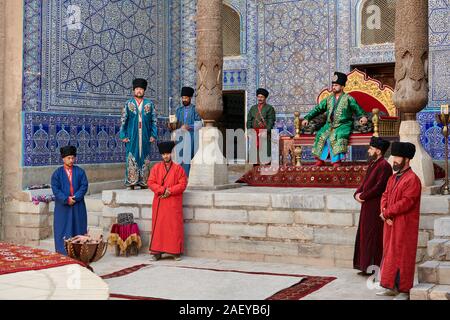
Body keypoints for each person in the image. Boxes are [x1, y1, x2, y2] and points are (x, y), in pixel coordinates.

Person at [376, 142, 421, 300]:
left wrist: (387, 213)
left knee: (403, 256)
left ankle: (404, 290)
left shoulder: (413, 180)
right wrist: (384, 211)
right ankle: (391, 287)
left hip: (404, 225)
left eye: (397, 157)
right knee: (389, 254)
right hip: (390, 223)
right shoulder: (392, 178)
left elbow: (406, 202)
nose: (394, 160)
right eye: (394, 156)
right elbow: (385, 195)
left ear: (407, 159)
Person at [302, 72, 368, 167]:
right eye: (333, 85)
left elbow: (357, 109)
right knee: (321, 134)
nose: (333, 87)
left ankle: (336, 161)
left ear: (342, 87)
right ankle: (320, 159)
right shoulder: (328, 99)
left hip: (343, 124)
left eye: (336, 85)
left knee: (337, 135)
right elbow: (318, 109)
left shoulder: (348, 98)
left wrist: (363, 116)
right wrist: (307, 118)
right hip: (329, 125)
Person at [353, 136, 392, 275]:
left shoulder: (385, 166)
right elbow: (365, 184)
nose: (369, 150)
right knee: (364, 235)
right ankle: (364, 266)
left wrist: (362, 196)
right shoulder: (373, 164)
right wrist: (357, 194)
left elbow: (379, 187)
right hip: (366, 206)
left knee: (373, 236)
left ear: (378, 151)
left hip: (375, 206)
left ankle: (372, 268)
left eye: (371, 148)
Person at [148, 141, 188, 261]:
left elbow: (183, 184)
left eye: (168, 154)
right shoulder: (156, 168)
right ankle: (157, 252)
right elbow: (150, 182)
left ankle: (175, 252)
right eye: (164, 154)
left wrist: (169, 191)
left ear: (171, 154)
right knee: (159, 228)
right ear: (161, 155)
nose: (166, 156)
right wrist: (162, 190)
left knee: (174, 227)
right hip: (160, 202)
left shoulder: (178, 169)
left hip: (172, 202)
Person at [119, 78, 158, 189]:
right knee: (132, 156)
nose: (139, 91)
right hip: (132, 135)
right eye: (137, 89)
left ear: (144, 90)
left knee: (144, 157)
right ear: (133, 90)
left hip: (145, 135)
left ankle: (144, 182)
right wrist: (123, 135)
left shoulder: (149, 104)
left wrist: (153, 134)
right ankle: (132, 182)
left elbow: (154, 120)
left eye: (141, 89)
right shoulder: (128, 104)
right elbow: (123, 120)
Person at [51, 146, 88, 255]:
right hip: (63, 207)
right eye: (68, 158)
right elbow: (55, 189)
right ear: (63, 159)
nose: (71, 160)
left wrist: (75, 198)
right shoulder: (57, 174)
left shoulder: (80, 172)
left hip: (78, 205)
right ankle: (63, 252)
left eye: (72, 158)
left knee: (78, 227)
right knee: (62, 229)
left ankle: (78, 252)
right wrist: (66, 199)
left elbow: (84, 186)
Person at [169, 86, 202, 176]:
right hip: (180, 137)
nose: (184, 100)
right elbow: (175, 124)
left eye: (186, 98)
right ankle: (179, 177)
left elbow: (199, 124)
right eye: (183, 98)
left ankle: (186, 177)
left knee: (187, 157)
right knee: (178, 157)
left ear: (190, 98)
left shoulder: (195, 109)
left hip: (190, 137)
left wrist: (189, 127)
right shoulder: (179, 110)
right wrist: (171, 125)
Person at [246, 88, 276, 165]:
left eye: (262, 97)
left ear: (265, 98)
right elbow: (249, 120)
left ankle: (267, 171)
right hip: (254, 133)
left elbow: (271, 121)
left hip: (264, 133)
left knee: (266, 152)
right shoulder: (253, 108)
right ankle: (255, 171)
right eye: (258, 97)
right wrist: (249, 131)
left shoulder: (269, 108)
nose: (260, 98)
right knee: (254, 153)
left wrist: (266, 132)